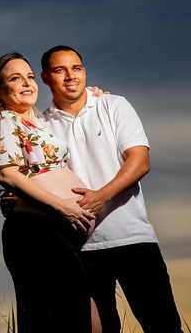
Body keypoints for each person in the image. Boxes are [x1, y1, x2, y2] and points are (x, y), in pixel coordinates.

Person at [37, 45, 183, 333]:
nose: (70, 76)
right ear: (45, 78)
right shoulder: (40, 126)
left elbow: (140, 162)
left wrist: (100, 196)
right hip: (79, 248)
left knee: (164, 326)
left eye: (76, 68)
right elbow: (35, 180)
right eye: (60, 70)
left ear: (84, 71)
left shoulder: (114, 105)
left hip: (132, 237)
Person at [0, 51, 98, 333]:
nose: (27, 83)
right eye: (15, 78)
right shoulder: (6, 120)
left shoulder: (38, 124)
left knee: (85, 319)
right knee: (55, 321)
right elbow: (7, 173)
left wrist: (91, 94)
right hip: (36, 233)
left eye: (30, 77)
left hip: (56, 233)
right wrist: (62, 205)